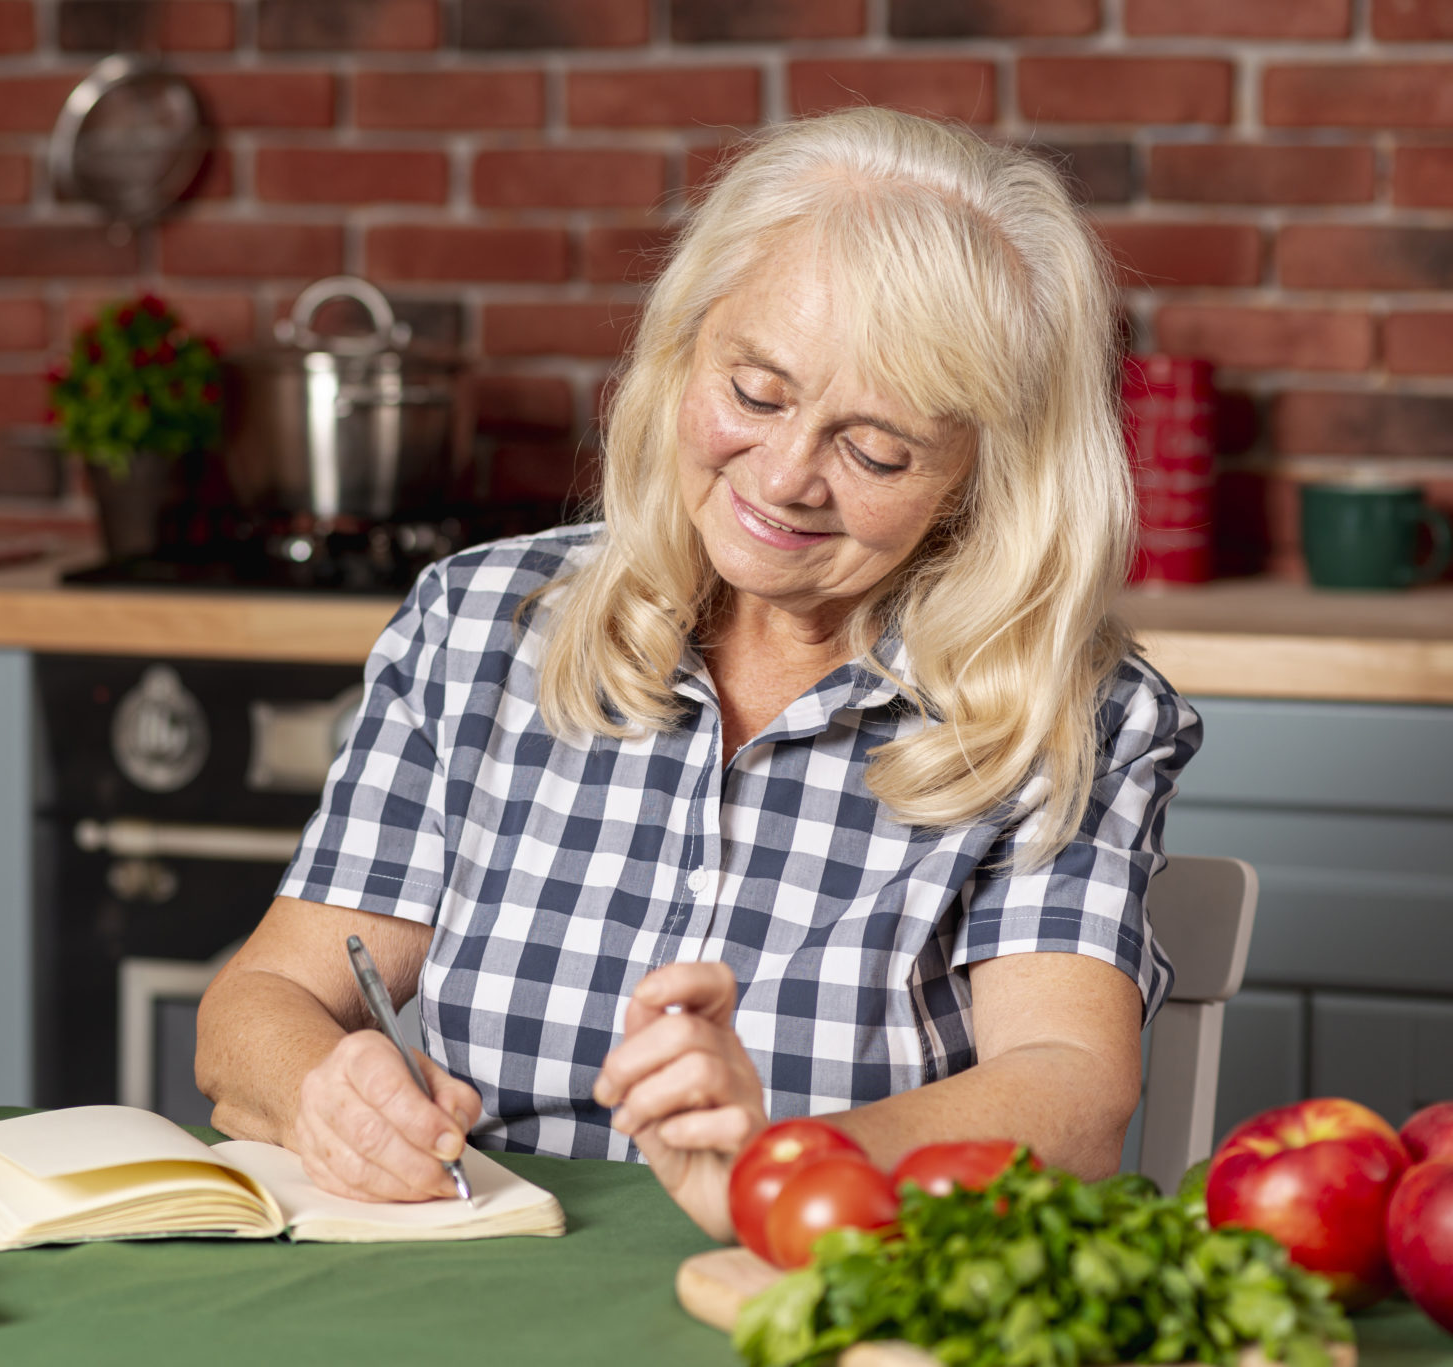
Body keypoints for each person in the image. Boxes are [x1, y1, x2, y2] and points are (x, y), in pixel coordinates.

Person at [193, 106, 1201, 1242]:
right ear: (683, 346)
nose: (782, 476)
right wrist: (328, 1089)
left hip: (812, 1282)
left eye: (872, 449)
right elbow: (257, 1006)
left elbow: (1069, 1087)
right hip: (481, 1281)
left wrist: (776, 1163)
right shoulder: (481, 624)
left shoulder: (1065, 712)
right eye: (755, 393)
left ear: (982, 477)